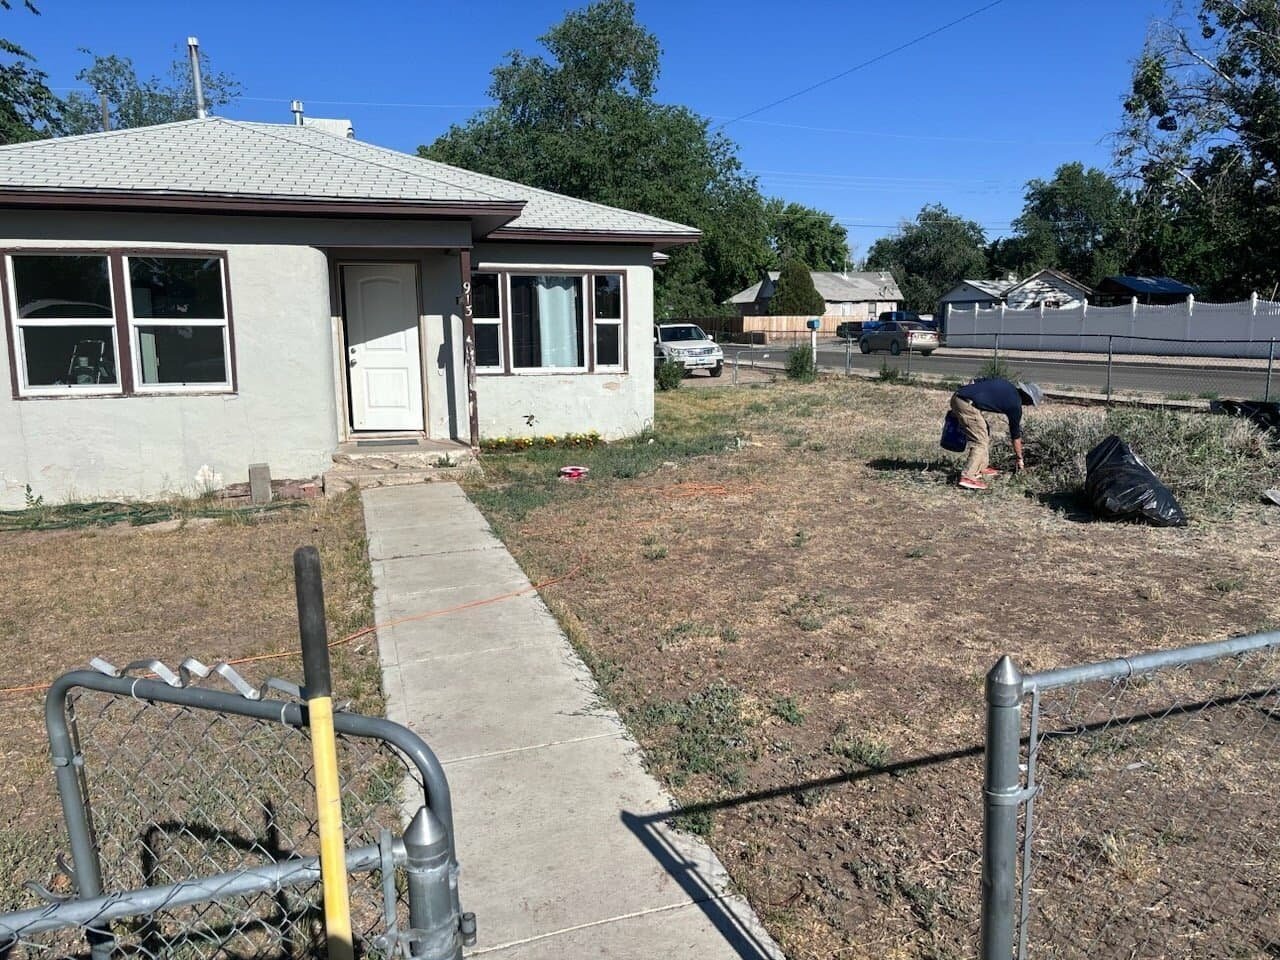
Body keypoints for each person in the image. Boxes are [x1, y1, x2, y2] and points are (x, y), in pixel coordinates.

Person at [949, 378, 1043, 491]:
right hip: (966, 403)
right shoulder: (1015, 405)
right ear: (1027, 398)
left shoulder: (1006, 384)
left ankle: (981, 467)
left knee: (984, 430)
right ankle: (968, 476)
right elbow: (1015, 435)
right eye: (1031, 402)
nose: (1029, 405)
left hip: (959, 396)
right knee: (980, 441)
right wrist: (1019, 458)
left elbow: (974, 381)